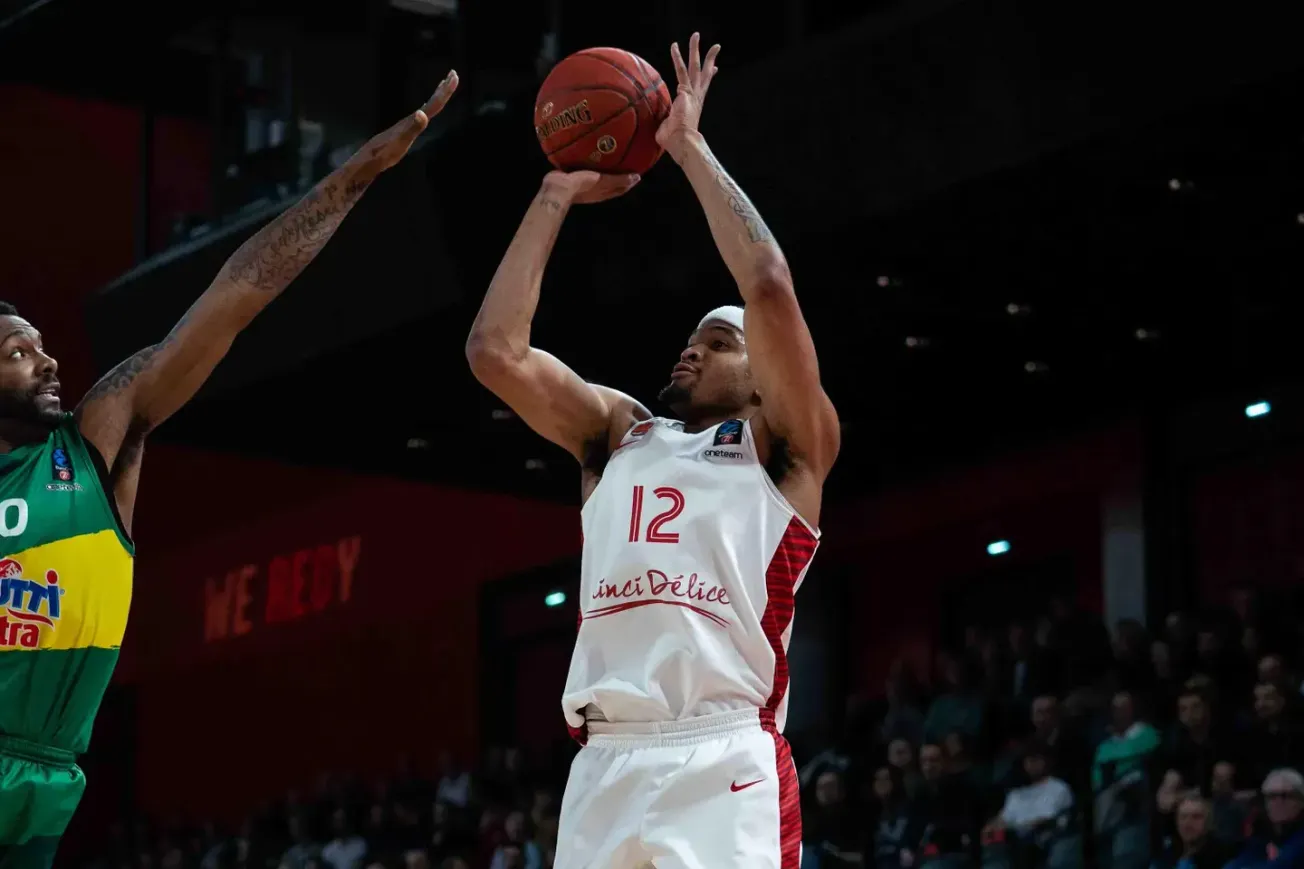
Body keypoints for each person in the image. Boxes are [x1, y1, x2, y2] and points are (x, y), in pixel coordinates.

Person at [0, 72, 460, 869]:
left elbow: (233, 297)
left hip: (49, 769)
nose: (47, 361)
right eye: (17, 352)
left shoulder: (97, 439)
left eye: (42, 343)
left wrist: (352, 177)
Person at [465, 32, 839, 869]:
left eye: (717, 341)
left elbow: (769, 284)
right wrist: (554, 195)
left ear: (760, 382)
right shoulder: (619, 432)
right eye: (691, 338)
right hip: (604, 761)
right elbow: (495, 352)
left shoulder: (787, 453)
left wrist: (690, 150)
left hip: (722, 756)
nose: (692, 350)